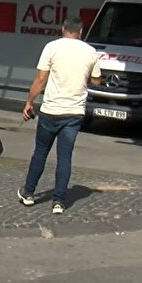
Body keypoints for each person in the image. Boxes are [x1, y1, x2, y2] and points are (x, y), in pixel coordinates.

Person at [17, 17, 101, 215]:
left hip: (51, 110)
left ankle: (28, 193)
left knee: (40, 152)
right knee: (65, 157)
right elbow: (97, 80)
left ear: (63, 28)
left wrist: (29, 102)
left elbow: (40, 79)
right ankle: (59, 201)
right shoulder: (90, 52)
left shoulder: (51, 47)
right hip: (74, 113)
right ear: (81, 31)